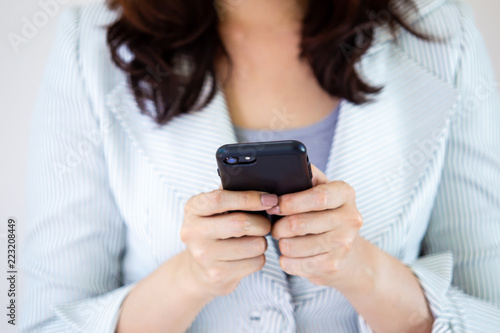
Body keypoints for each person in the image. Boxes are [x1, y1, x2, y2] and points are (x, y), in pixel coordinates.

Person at [21, 0, 500, 332]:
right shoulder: (90, 44)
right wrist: (191, 279)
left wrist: (364, 271)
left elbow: (490, 313)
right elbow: (42, 323)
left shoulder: (440, 33)